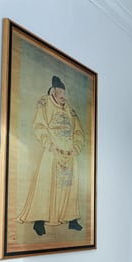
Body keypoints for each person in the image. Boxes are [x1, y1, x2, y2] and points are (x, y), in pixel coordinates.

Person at [17, 75, 85, 236]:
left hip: (69, 153)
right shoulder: (44, 103)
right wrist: (49, 143)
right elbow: (39, 125)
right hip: (53, 150)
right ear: (54, 92)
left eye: (64, 94)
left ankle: (72, 219)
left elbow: (78, 132)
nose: (63, 97)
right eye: (60, 93)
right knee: (45, 184)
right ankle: (39, 221)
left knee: (71, 186)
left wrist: (76, 147)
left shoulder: (69, 110)